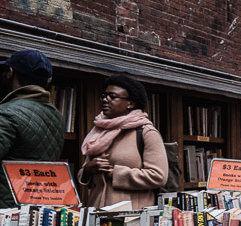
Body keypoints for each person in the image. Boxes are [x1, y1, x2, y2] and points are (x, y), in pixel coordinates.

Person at [77, 73, 169, 209]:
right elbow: (86, 177)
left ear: (130, 103)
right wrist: (88, 170)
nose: (105, 100)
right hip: (96, 212)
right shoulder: (99, 132)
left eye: (112, 96)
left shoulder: (146, 132)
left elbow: (158, 176)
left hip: (130, 216)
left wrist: (114, 173)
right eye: (103, 96)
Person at [0, 50, 64, 208]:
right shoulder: (56, 115)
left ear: (10, 73)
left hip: (6, 212)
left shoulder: (7, 112)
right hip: (39, 207)